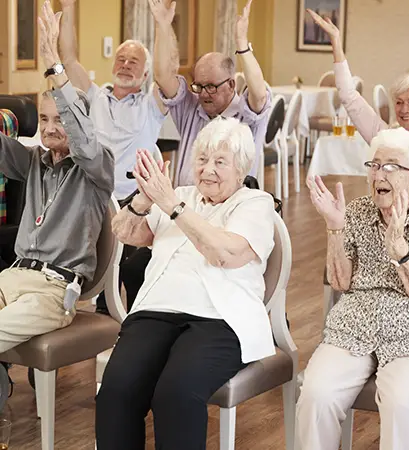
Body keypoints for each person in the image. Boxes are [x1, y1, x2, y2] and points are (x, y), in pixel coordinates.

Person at [95, 117, 276, 450]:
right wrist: (143, 200)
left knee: (176, 394)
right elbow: (126, 231)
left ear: (240, 169)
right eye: (202, 160)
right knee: (116, 391)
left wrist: (172, 207)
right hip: (155, 312)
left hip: (221, 321)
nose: (208, 170)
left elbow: (224, 254)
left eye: (220, 162)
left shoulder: (255, 204)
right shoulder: (178, 195)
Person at [297, 128, 409, 450]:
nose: (379, 174)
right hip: (356, 325)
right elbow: (340, 282)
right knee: (316, 393)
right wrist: (335, 228)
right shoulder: (357, 211)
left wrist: (401, 251)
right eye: (375, 165)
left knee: (400, 399)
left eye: (391, 166)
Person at [0, 2, 114, 390]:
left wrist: (55, 65)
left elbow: (83, 141)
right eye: (44, 119)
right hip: (13, 277)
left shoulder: (97, 166)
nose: (49, 129)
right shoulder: (33, 161)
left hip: (53, 292)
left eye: (60, 119)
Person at [54, 0, 171, 312]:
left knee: (134, 275)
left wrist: (162, 24)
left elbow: (166, 73)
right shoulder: (94, 97)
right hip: (95, 201)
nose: (126, 64)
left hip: (136, 203)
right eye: (121, 59)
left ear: (145, 72)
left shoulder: (151, 106)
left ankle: (134, 319)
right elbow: (67, 59)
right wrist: (69, 7)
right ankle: (98, 313)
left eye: (134, 61)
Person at [308, 9, 409, 201]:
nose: (404, 109)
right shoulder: (384, 138)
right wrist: (336, 41)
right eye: (399, 102)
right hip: (389, 226)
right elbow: (349, 96)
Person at [150, 0, 271, 187]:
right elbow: (162, 76)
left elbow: (260, 95)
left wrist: (242, 44)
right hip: (185, 206)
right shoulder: (191, 108)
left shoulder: (247, 116)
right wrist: (163, 25)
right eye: (199, 86)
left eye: (211, 87)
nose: (204, 94)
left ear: (231, 85)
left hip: (230, 210)